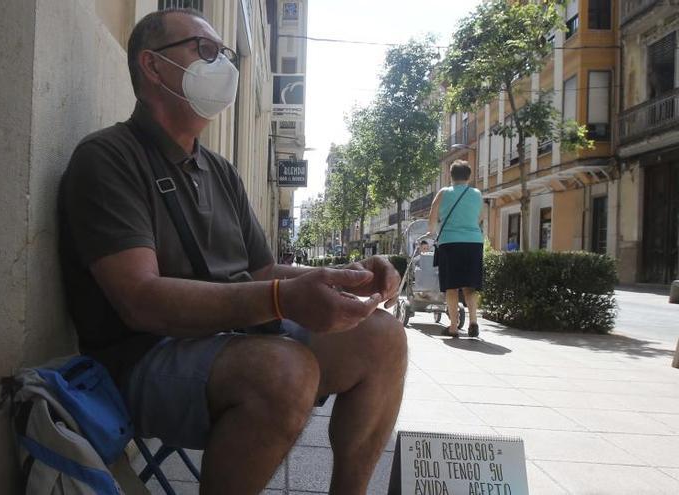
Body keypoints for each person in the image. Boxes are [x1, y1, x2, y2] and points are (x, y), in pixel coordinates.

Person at [57, 9, 407, 494]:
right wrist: (282, 299)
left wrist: (340, 277)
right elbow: (139, 299)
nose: (221, 63)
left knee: (383, 337)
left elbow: (263, 270)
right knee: (284, 371)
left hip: (230, 337)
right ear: (153, 66)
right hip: (139, 360)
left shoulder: (219, 170)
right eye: (203, 50)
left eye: (223, 52)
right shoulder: (108, 158)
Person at [426, 160, 485, 338]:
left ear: (449, 176)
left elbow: (432, 220)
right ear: (469, 176)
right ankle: (473, 322)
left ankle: (453, 327)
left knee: (451, 287)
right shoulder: (477, 194)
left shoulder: (443, 193)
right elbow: (480, 217)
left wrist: (430, 234)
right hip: (474, 243)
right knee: (470, 286)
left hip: (450, 243)